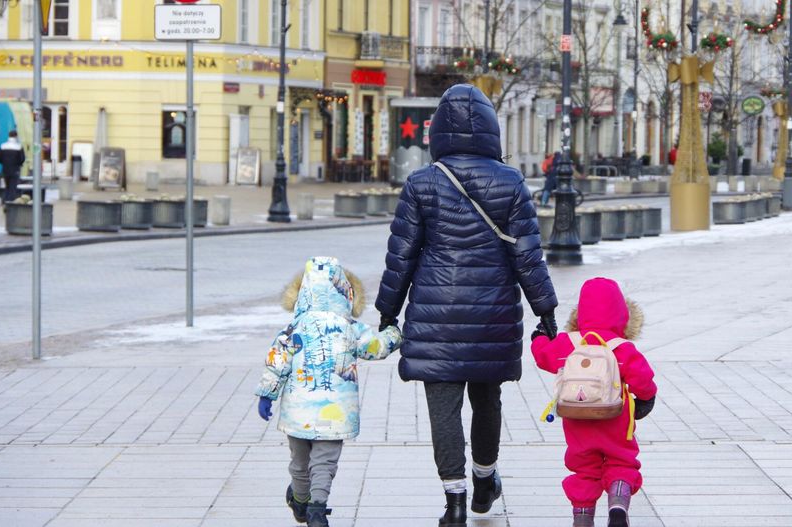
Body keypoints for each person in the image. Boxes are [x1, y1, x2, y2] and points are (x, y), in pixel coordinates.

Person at [375, 84, 558, 526]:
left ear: (438, 131)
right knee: (487, 400)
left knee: (442, 408)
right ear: (492, 130)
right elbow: (527, 255)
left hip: (434, 316)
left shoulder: (421, 182)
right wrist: (545, 310)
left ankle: (454, 500)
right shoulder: (511, 182)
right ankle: (484, 479)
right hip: (493, 313)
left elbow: (402, 255)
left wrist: (387, 311)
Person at [256, 256, 402, 527]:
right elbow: (375, 348)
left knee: (299, 463)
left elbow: (277, 362)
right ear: (346, 293)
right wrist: (395, 334)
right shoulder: (351, 328)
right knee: (324, 462)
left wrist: (267, 394)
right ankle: (317, 509)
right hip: (334, 411)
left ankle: (300, 501)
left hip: (298, 413)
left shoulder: (293, 329)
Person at [530, 278, 657, 527]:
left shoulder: (570, 343)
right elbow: (643, 378)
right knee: (621, 461)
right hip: (614, 418)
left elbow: (543, 356)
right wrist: (645, 399)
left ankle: (583, 518)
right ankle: (618, 506)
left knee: (584, 469)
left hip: (577, 419)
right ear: (623, 313)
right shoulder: (621, 347)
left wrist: (539, 337)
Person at [0, 130, 25, 204]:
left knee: (7, 187)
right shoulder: (19, 146)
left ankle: (5, 201)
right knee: (13, 187)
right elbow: (22, 159)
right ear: (16, 136)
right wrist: (18, 164)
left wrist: (4, 163)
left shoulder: (3, 146)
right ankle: (10, 203)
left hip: (5, 169)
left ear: (9, 136)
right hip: (15, 170)